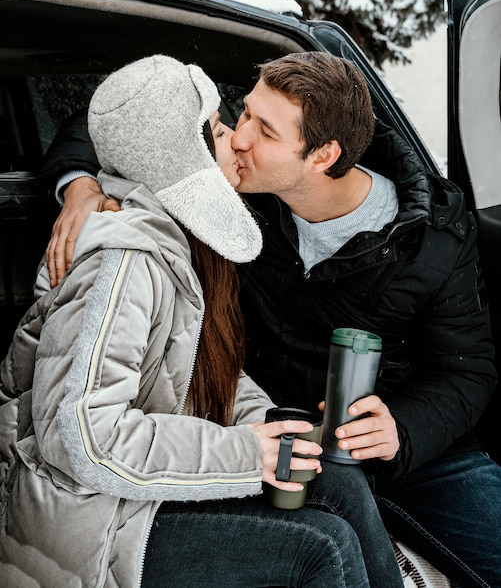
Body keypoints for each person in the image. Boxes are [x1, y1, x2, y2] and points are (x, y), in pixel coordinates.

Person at [38, 51, 501, 587]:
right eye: (243, 115)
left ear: (323, 155)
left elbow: (468, 371)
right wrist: (79, 185)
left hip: (406, 452)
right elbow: (125, 115)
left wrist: (403, 429)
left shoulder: (432, 239)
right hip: (264, 433)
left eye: (265, 131)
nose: (237, 138)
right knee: (321, 550)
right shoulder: (235, 194)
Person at [0, 55, 376, 588]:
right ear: (185, 157)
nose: (239, 141)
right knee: (320, 547)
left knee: (334, 476)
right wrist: (248, 455)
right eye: (223, 128)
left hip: (125, 497)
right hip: (87, 525)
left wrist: (264, 422)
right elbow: (83, 441)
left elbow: (190, 365)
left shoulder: (177, 243)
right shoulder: (128, 261)